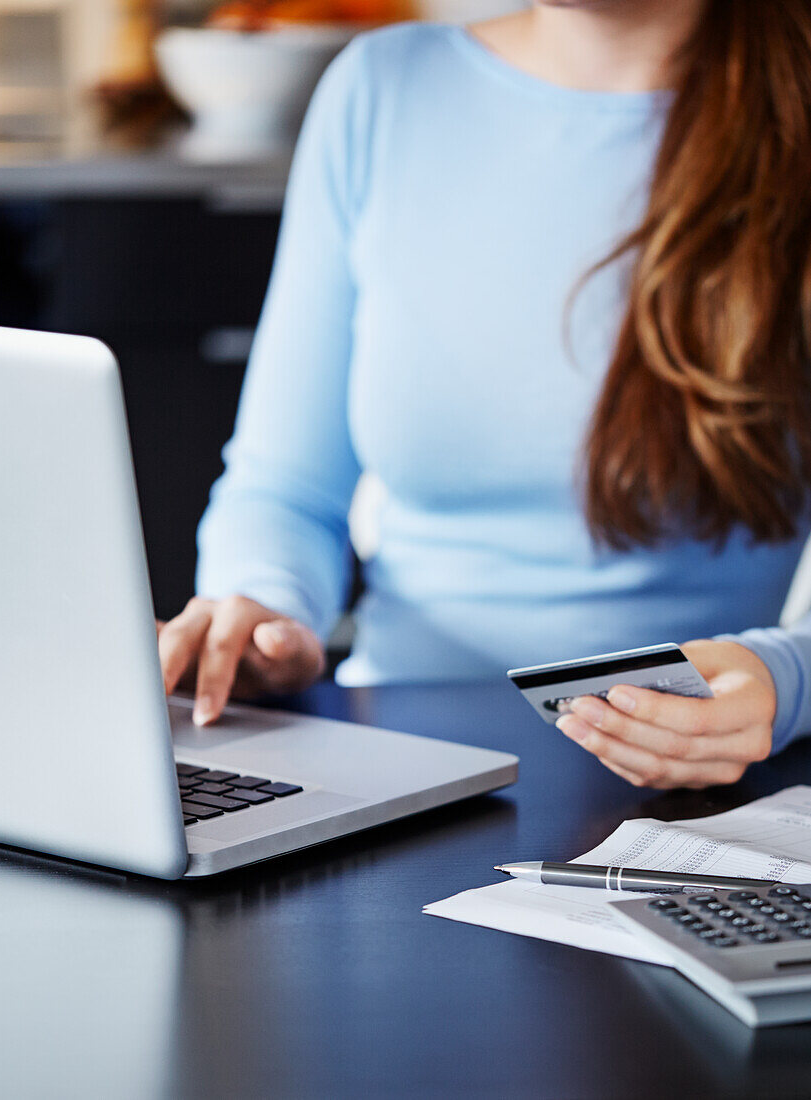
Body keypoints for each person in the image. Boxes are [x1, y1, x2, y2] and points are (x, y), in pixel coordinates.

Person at [158, 0, 811, 790]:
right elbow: (284, 487)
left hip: (697, 792)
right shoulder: (382, 88)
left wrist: (784, 680)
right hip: (392, 768)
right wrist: (262, 608)